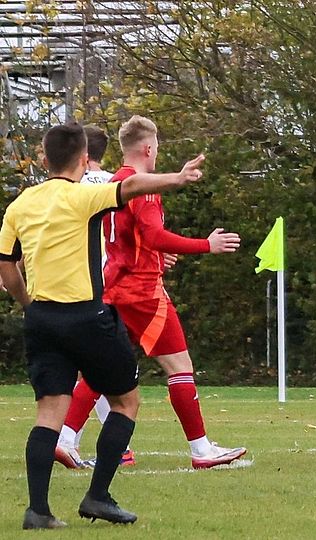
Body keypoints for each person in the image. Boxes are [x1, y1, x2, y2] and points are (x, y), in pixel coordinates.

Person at [0, 122, 205, 528]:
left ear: (43, 159)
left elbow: (7, 271)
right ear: (83, 160)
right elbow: (128, 188)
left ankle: (38, 511)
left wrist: (28, 304)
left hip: (41, 318)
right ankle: (97, 496)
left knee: (48, 413)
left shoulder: (20, 205)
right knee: (126, 401)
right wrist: (177, 178)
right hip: (86, 316)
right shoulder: (84, 197)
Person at [57, 116, 247, 470]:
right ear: (148, 148)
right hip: (143, 291)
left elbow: (134, 237)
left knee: (99, 368)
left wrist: (156, 252)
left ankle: (66, 438)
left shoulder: (115, 183)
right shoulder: (144, 186)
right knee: (180, 367)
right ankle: (202, 449)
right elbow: (154, 235)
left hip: (113, 287)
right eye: (156, 148)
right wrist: (206, 244)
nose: (157, 154)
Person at [56, 124, 136, 469]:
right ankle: (68, 437)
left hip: (65, 278)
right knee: (103, 364)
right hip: (107, 281)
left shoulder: (63, 186)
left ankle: (97, 441)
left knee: (92, 366)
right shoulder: (114, 183)